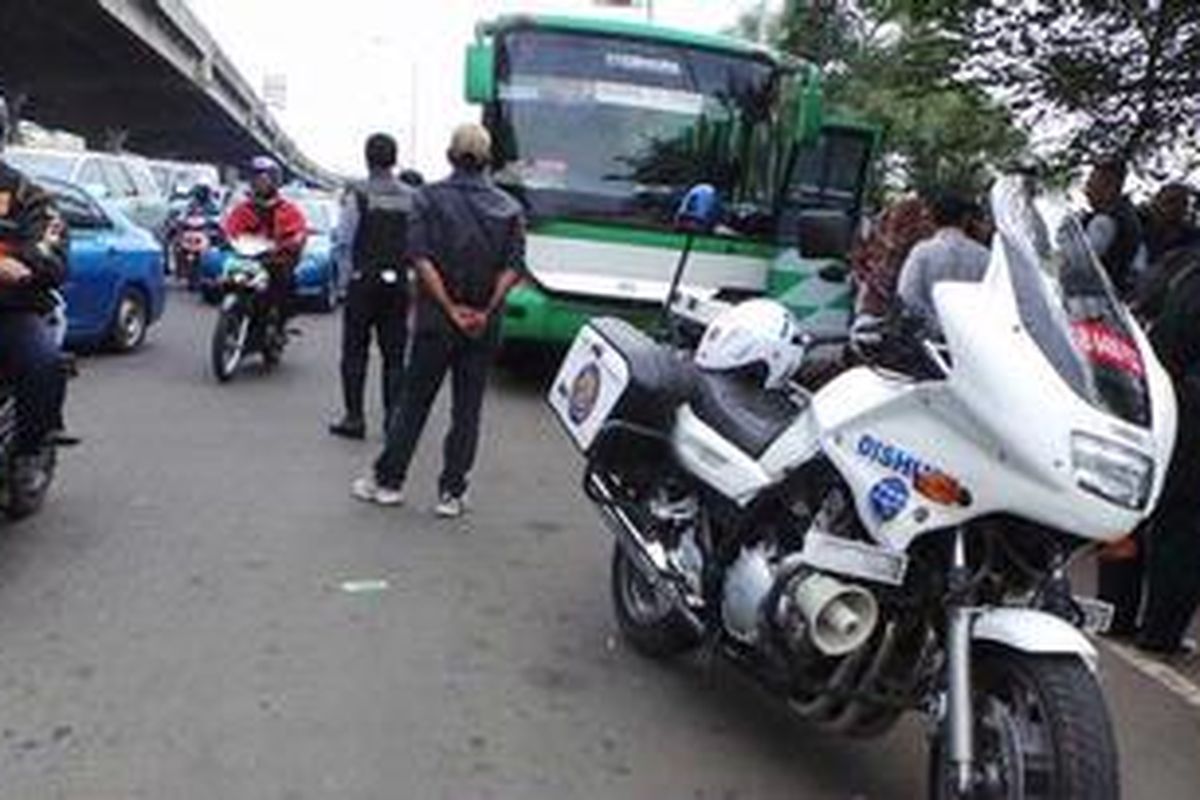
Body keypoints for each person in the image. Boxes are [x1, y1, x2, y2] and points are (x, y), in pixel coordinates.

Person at [352, 123, 525, 517]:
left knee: (413, 404)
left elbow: (421, 258)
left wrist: (448, 307)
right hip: (482, 325)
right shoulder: (509, 209)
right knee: (467, 409)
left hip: (436, 322)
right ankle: (452, 492)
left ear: (450, 156)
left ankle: (388, 482)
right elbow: (513, 268)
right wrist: (483, 310)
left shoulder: (427, 199)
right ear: (487, 159)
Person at [0, 93, 70, 482]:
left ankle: (29, 452)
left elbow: (50, 245)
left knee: (44, 363)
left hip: (11, 310)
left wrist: (26, 264)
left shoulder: (29, 195)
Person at [329, 133, 416, 440]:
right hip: (398, 284)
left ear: (367, 158)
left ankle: (354, 418)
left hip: (362, 283)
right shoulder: (411, 197)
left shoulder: (358, 194)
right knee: (394, 355)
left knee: (355, 352)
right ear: (394, 159)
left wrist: (342, 286)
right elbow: (418, 244)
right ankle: (392, 420)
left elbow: (343, 241)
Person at [222, 157, 307, 333]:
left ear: (274, 182)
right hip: (249, 259)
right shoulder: (243, 208)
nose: (260, 183)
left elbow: (299, 231)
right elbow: (231, 227)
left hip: (274, 259)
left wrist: (292, 241)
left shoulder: (287, 209)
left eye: (264, 179)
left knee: (285, 282)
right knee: (227, 278)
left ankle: (279, 325)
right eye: (256, 179)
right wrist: (226, 238)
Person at [895, 190, 991, 333]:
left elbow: (907, 295)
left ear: (932, 218)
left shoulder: (922, 252)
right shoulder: (984, 256)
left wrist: (933, 323)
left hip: (930, 341)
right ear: (965, 218)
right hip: (970, 339)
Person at [850, 196, 934, 320]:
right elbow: (858, 260)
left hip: (904, 312)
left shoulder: (924, 241)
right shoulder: (877, 232)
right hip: (878, 304)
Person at [1082, 159, 1145, 300]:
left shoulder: (1105, 222)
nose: (1086, 189)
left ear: (1110, 186)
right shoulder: (1129, 218)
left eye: (1092, 183)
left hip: (1093, 302)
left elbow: (1080, 262)